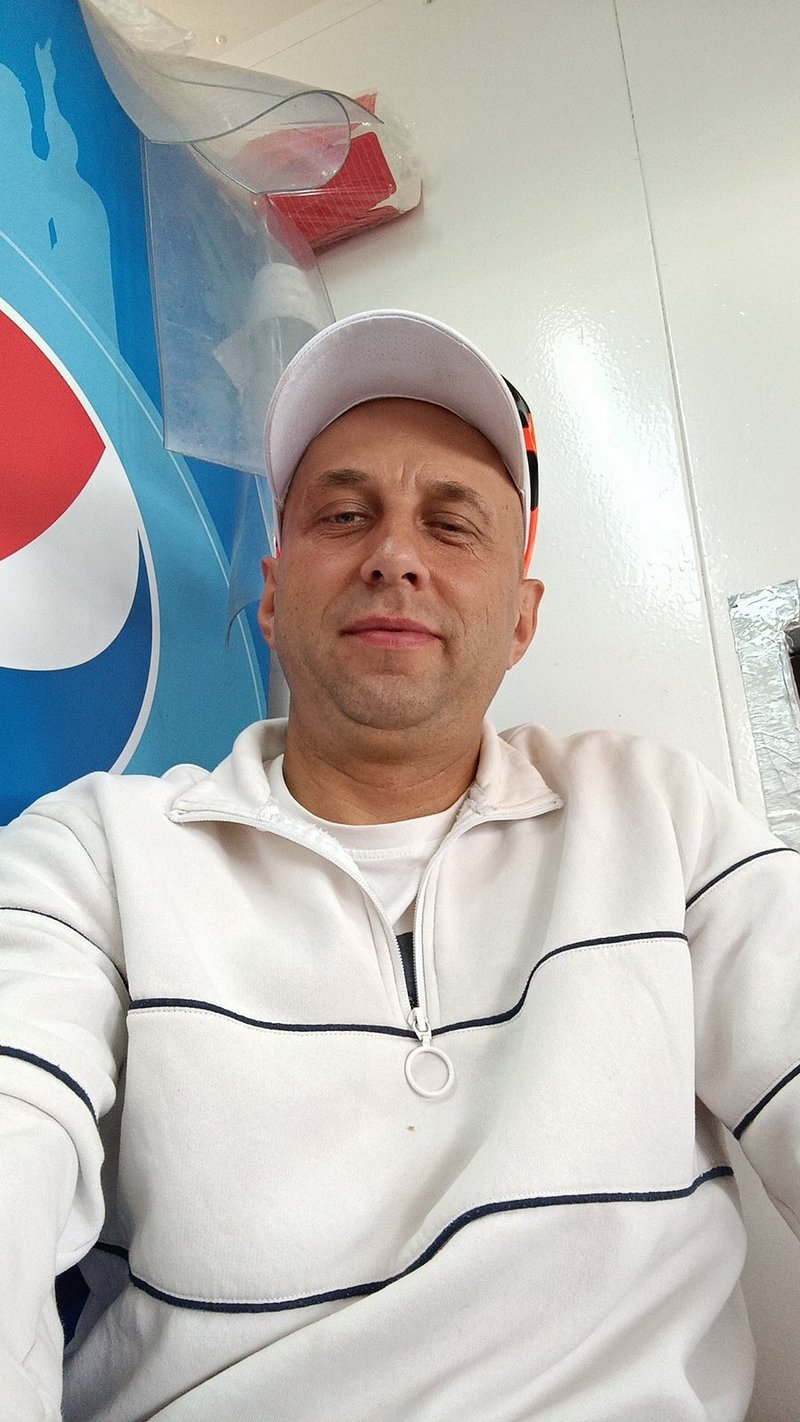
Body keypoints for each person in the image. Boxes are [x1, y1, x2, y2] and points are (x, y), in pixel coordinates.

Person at [0, 309, 798, 1422]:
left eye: (452, 524)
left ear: (520, 621)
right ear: (273, 594)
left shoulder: (654, 818)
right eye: (344, 514)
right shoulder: (95, 854)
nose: (394, 556)